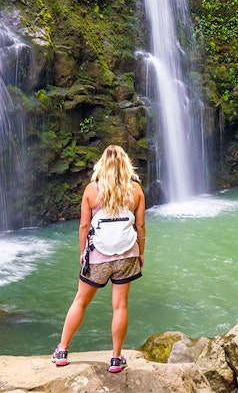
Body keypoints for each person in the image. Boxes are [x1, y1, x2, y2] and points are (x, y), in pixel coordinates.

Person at [52, 144, 146, 373]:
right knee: (120, 306)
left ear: (102, 164)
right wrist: (141, 253)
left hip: (98, 256)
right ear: (125, 164)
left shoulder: (91, 191)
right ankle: (115, 358)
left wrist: (82, 252)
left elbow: (84, 225)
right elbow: (140, 225)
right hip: (127, 255)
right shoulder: (135, 191)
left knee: (81, 301)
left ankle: (62, 351)